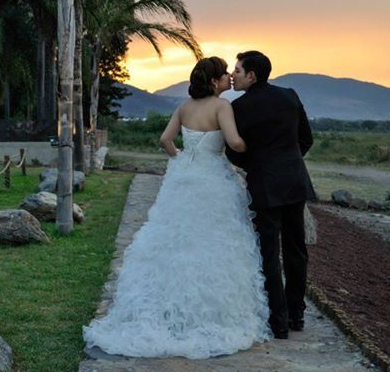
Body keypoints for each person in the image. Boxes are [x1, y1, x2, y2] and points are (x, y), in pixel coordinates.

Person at [83, 57, 271, 359]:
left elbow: (165, 139)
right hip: (213, 181)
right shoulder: (222, 107)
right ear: (213, 82)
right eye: (223, 75)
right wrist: (256, 148)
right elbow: (235, 142)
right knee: (212, 241)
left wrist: (179, 156)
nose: (227, 78)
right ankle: (208, 314)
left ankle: (167, 308)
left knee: (174, 238)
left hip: (184, 177)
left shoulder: (184, 107)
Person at [226, 51, 316, 339]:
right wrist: (288, 162)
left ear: (251, 75)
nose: (233, 75)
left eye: (238, 70)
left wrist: (258, 165)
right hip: (294, 181)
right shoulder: (289, 95)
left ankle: (278, 321)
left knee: (269, 252)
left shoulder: (239, 107)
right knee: (296, 249)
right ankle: (297, 314)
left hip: (264, 184)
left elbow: (232, 150)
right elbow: (306, 139)